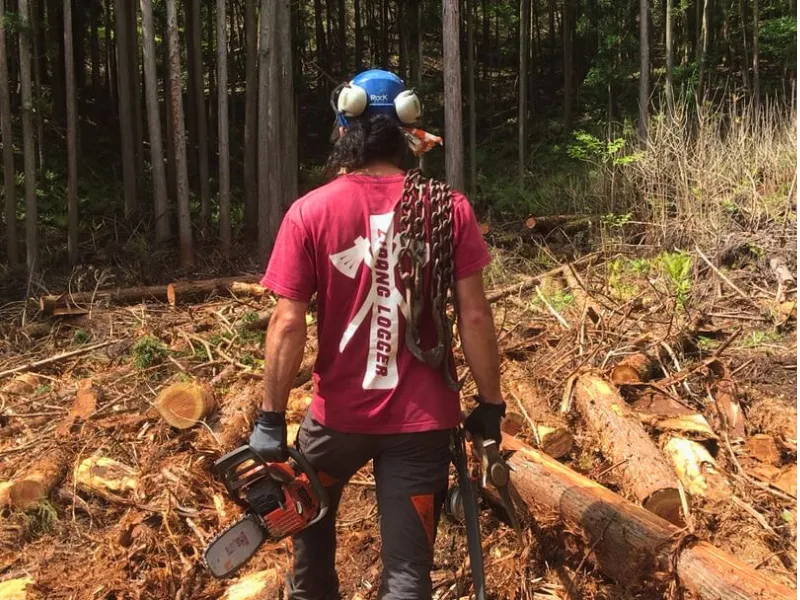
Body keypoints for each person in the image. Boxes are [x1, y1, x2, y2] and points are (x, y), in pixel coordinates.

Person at [249, 69, 505, 600]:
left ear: (344, 128)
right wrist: (490, 404)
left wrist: (271, 418)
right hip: (421, 424)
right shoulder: (448, 209)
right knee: (409, 579)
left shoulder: (310, 212)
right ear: (408, 134)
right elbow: (475, 316)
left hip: (337, 422)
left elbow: (287, 322)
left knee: (311, 556)